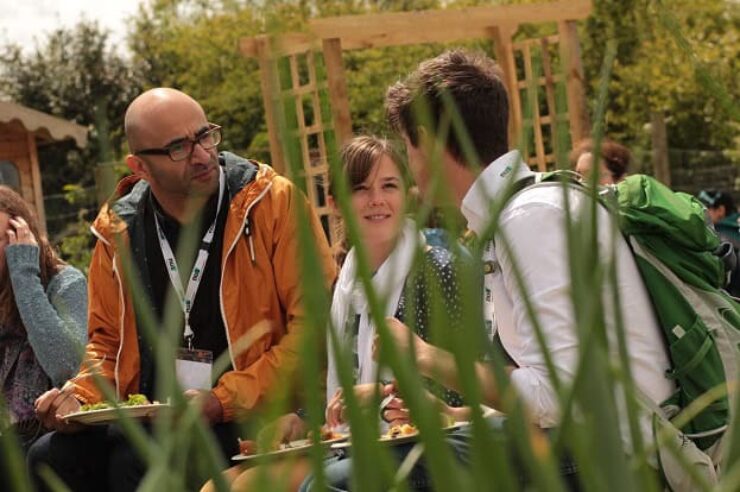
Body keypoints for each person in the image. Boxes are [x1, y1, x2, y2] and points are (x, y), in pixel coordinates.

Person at [366, 49, 673, 489]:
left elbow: (558, 395)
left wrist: (426, 357)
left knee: (363, 474)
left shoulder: (529, 220)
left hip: (620, 459)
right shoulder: (522, 211)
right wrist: (457, 414)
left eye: (408, 148)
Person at [27, 88, 335, 492]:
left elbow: (314, 327)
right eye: (178, 147)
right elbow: (107, 346)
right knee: (47, 457)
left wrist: (222, 399)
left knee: (137, 462)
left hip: (256, 409)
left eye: (205, 135)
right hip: (159, 416)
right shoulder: (118, 231)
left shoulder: (271, 203)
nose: (203, 154)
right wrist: (79, 398)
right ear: (139, 167)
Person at [209, 136, 474, 492]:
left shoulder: (438, 271)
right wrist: (300, 422)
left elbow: (458, 395)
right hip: (352, 444)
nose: (376, 199)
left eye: (389, 186)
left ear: (409, 195)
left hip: (419, 452)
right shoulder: (344, 284)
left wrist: (379, 395)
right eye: (361, 189)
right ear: (335, 203)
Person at [0, 186, 87, 488]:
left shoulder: (65, 284)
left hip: (49, 430)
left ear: (23, 238)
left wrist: (24, 274)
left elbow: (66, 363)